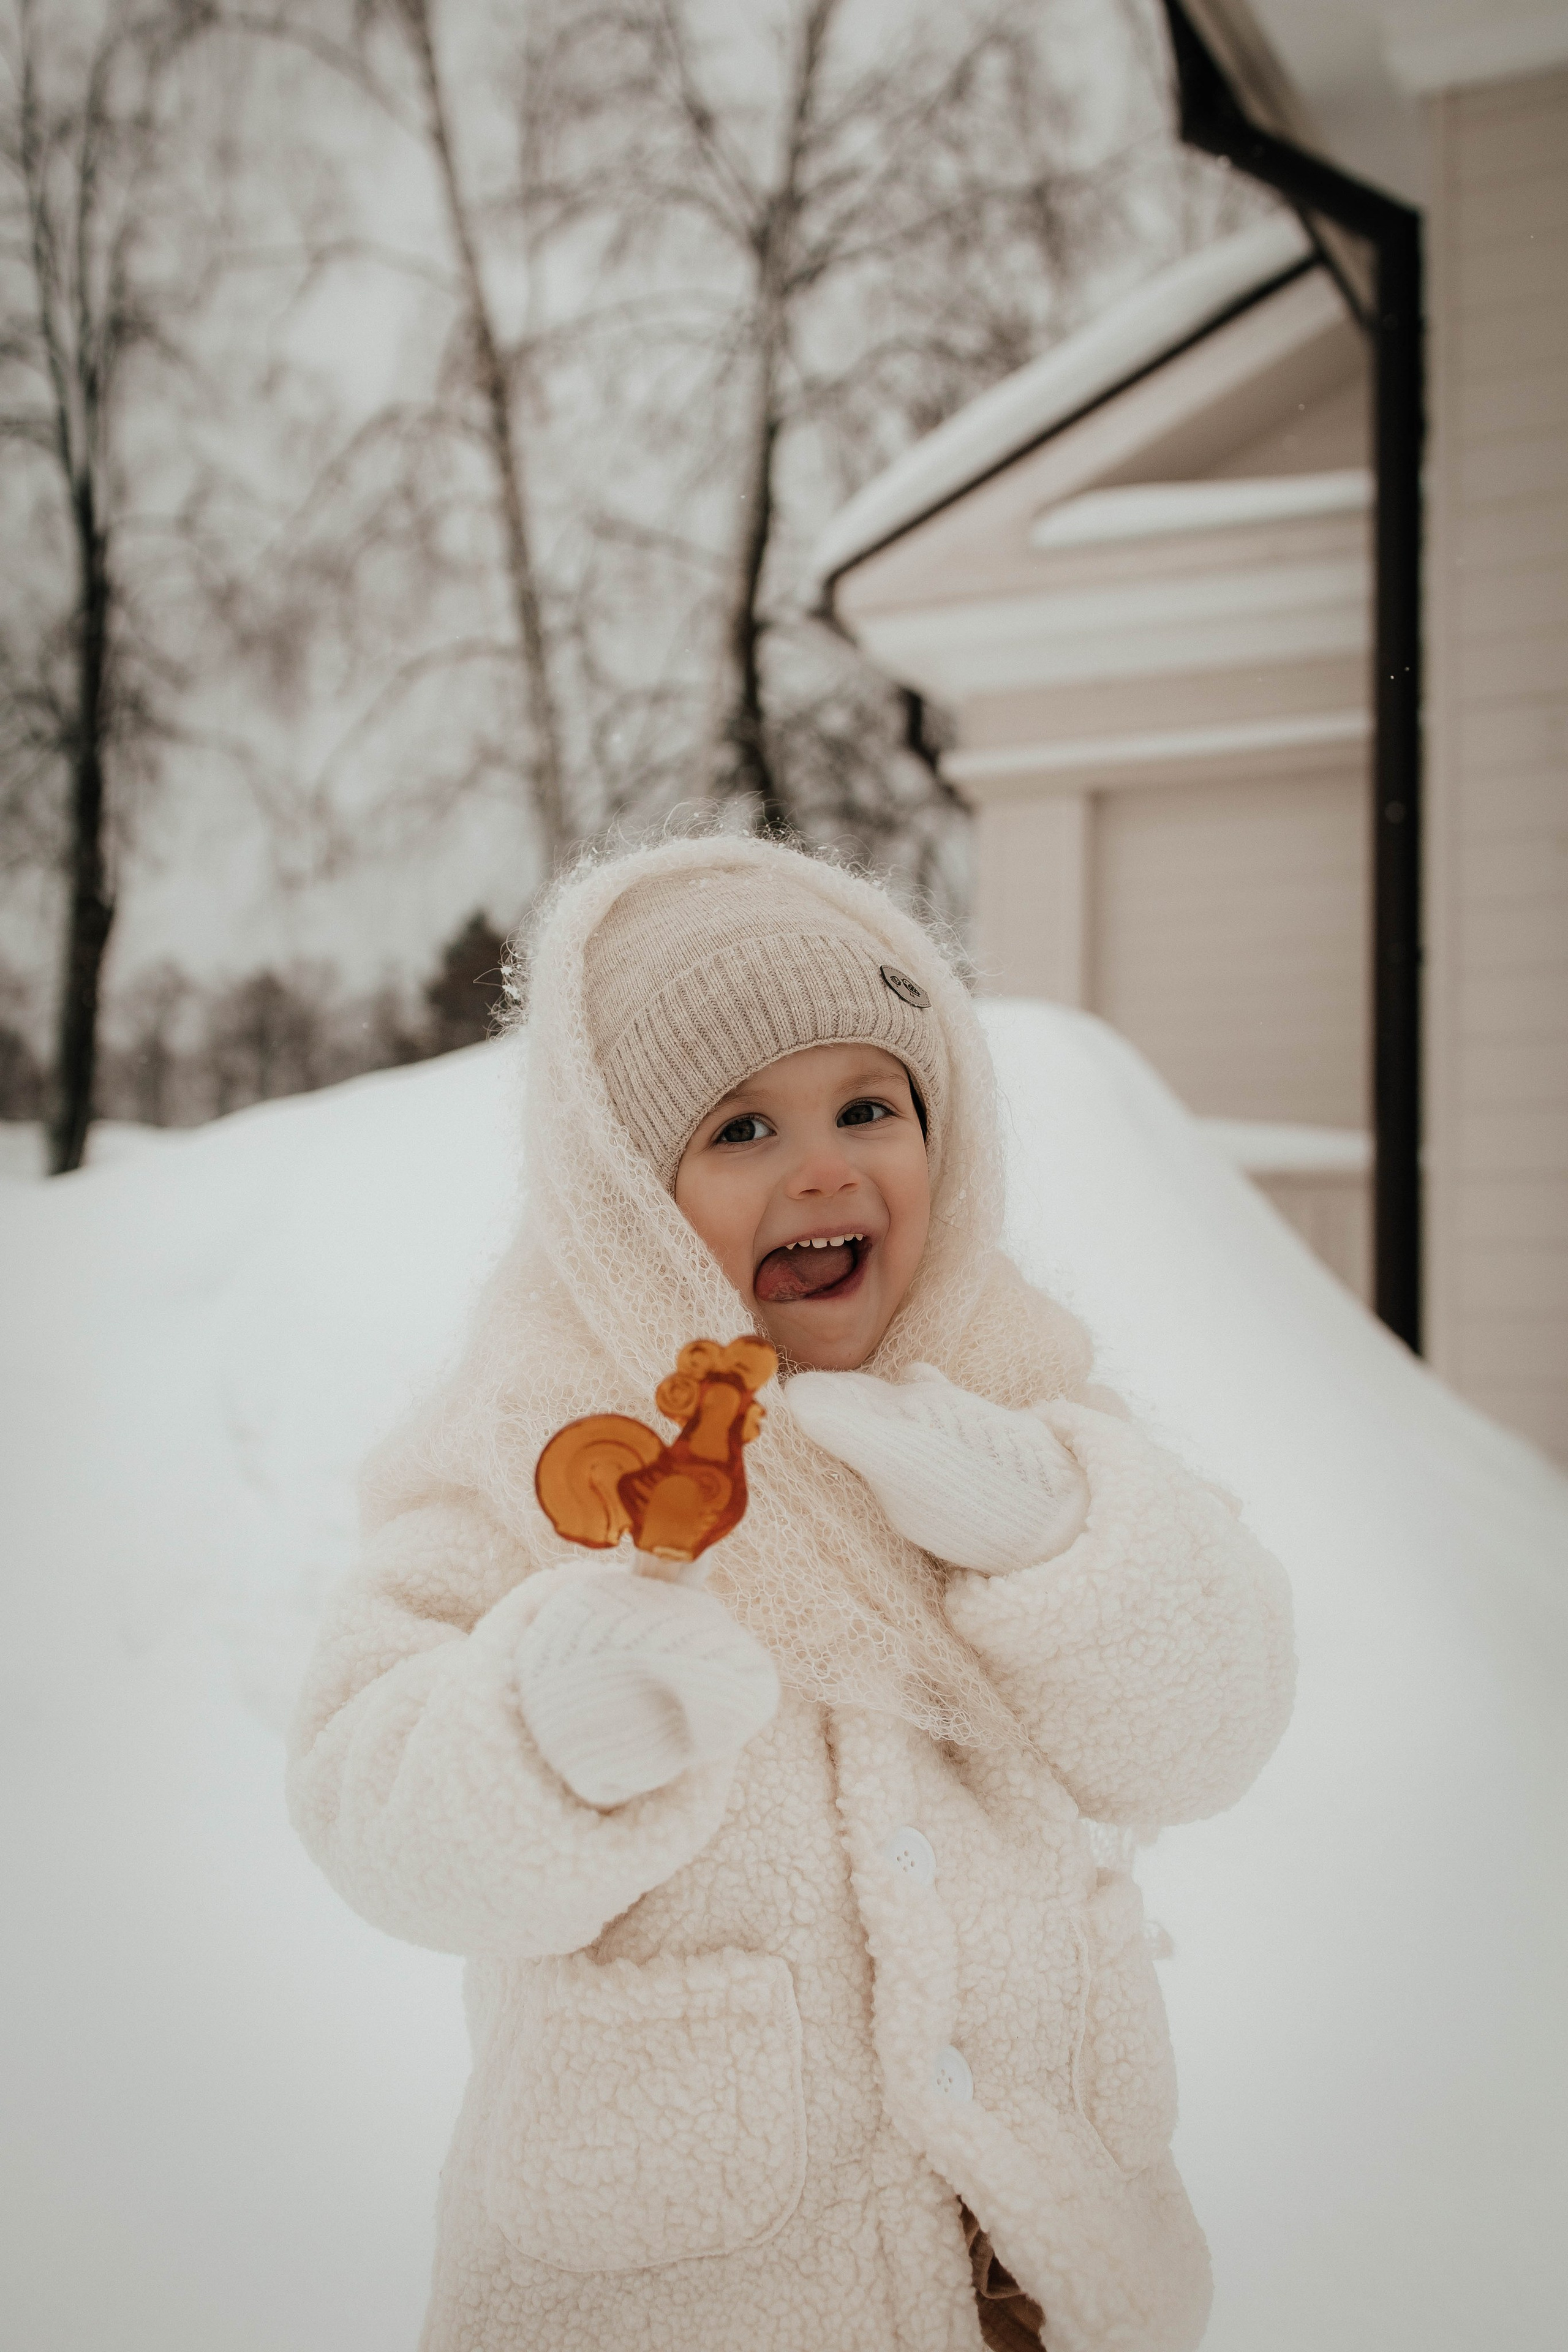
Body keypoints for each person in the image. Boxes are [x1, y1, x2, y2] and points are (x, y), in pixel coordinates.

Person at [288, 834, 1295, 2352]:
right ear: (629, 1191)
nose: (823, 1167)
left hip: (1043, 2278)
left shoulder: (1021, 1396)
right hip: (698, 2291)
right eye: (743, 1126)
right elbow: (370, 1808)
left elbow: (1208, 1737)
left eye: (868, 1108)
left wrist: (1048, 1531)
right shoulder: (529, 1444)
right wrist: (546, 1725)